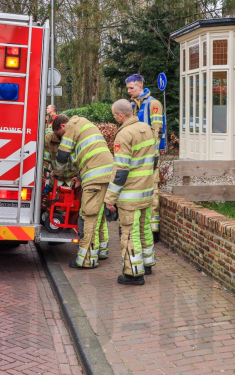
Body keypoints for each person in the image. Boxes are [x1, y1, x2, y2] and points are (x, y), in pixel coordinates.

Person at [105, 99, 157, 285]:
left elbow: (121, 170)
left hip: (130, 195)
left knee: (129, 232)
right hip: (147, 191)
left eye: (114, 115)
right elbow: (155, 159)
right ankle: (148, 263)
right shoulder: (148, 128)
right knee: (145, 228)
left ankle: (133, 273)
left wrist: (110, 198)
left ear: (120, 115)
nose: (114, 118)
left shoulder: (124, 134)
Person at [52, 114, 114, 268]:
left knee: (87, 216)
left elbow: (62, 155)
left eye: (60, 135)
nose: (61, 138)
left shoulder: (71, 126)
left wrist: (57, 173)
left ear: (62, 127)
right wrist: (80, 177)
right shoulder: (85, 124)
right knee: (98, 215)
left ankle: (86, 260)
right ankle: (100, 252)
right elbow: (89, 154)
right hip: (106, 174)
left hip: (95, 176)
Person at [126, 74, 165, 238]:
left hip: (149, 155)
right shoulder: (132, 105)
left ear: (140, 87)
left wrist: (153, 154)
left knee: (152, 188)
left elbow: (158, 131)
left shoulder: (153, 104)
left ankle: (153, 229)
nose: (128, 91)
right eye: (127, 88)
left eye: (131, 88)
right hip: (136, 155)